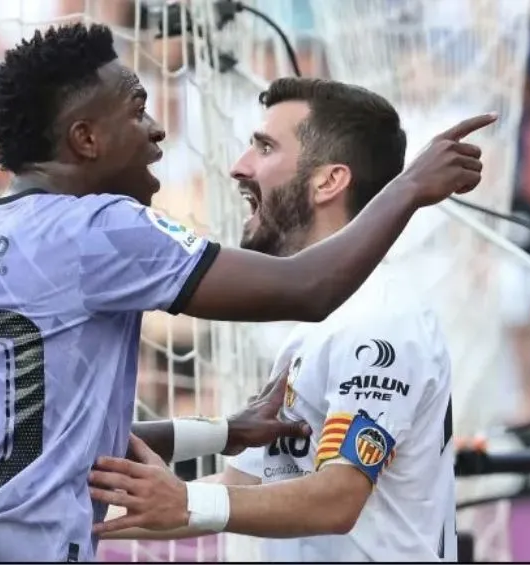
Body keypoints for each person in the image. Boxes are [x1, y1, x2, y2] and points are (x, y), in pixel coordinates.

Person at [0, 23, 493, 562]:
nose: (159, 128)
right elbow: (310, 288)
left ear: (329, 179)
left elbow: (47, 437)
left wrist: (219, 436)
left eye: (264, 147)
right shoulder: (99, 228)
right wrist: (410, 188)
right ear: (85, 138)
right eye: (138, 109)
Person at [88, 77, 458, 561]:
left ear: (329, 181)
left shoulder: (379, 318)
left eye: (264, 147)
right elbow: (244, 485)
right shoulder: (316, 330)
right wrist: (61, 522)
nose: (240, 167)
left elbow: (337, 499)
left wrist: (184, 501)